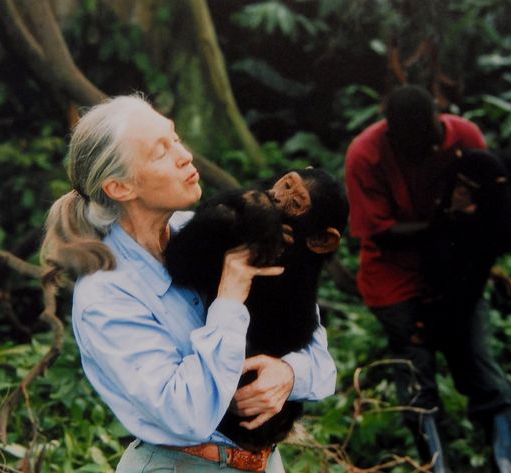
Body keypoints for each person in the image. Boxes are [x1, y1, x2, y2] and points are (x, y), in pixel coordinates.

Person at [41, 95, 337, 472]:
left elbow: (318, 355)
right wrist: (230, 295)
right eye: (160, 152)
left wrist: (289, 374)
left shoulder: (196, 229)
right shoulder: (106, 295)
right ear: (120, 188)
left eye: (176, 138)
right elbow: (188, 416)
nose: (184, 155)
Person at [344, 85, 511, 472]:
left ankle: (509, 463)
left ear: (439, 120)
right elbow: (380, 233)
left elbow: (495, 216)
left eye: (434, 139)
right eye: (418, 146)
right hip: (394, 277)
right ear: (394, 137)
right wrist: (443, 223)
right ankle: (433, 465)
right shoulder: (367, 154)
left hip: (456, 272)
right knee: (417, 378)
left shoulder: (463, 136)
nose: (430, 151)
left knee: (478, 366)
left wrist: (468, 276)